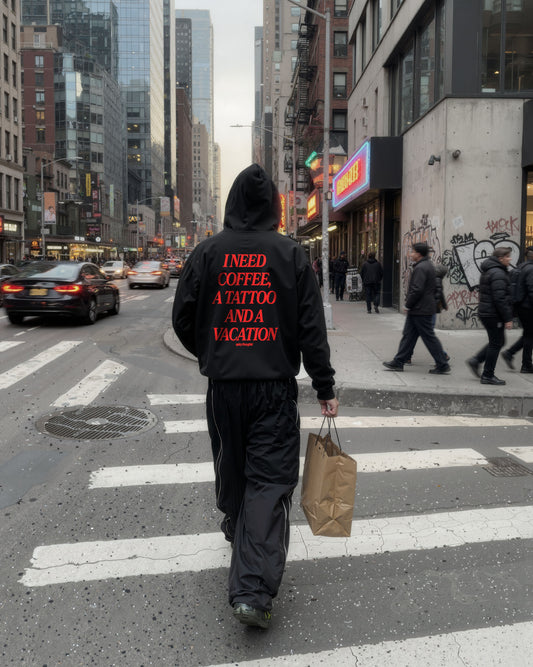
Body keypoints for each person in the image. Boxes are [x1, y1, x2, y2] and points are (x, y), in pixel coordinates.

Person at [172, 164, 338, 630]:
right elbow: (311, 328)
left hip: (224, 387)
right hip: (273, 389)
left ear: (232, 202)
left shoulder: (208, 252)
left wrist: (214, 351)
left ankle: (236, 527)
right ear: (273, 208)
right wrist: (324, 386)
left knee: (231, 464)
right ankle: (252, 590)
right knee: (268, 481)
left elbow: (183, 318)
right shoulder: (290, 254)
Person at [383, 242, 450, 374]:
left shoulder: (421, 268)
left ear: (419, 254)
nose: (411, 254)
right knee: (409, 336)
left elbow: (417, 290)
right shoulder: (427, 265)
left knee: (428, 337)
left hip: (421, 309)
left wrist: (408, 304)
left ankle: (442, 364)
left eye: (412, 252)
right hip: (421, 308)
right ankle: (399, 361)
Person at [465, 247, 513, 385]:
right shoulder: (498, 273)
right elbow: (500, 299)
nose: (510, 259)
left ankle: (476, 361)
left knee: (499, 341)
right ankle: (487, 375)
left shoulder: (491, 270)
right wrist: (508, 318)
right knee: (496, 343)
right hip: (493, 314)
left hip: (488, 312)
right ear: (500, 259)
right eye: (507, 256)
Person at [501, 246, 533, 373]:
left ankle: (510, 353)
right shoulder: (531, 269)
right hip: (528, 308)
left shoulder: (520, 267)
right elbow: (532, 290)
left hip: (521, 307)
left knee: (528, 334)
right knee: (529, 336)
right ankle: (526, 365)